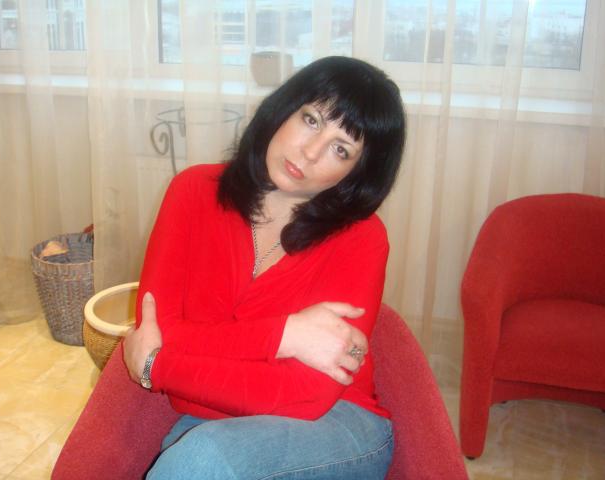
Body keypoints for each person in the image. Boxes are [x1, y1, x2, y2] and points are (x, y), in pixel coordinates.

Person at [123, 55, 406, 479]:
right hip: (215, 420)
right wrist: (285, 337)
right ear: (283, 109)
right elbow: (160, 331)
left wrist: (157, 367)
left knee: (198, 459)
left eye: (340, 149)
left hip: (338, 425)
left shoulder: (362, 238)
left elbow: (309, 394)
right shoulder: (192, 192)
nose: (310, 152)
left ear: (356, 172)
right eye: (311, 120)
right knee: (190, 457)